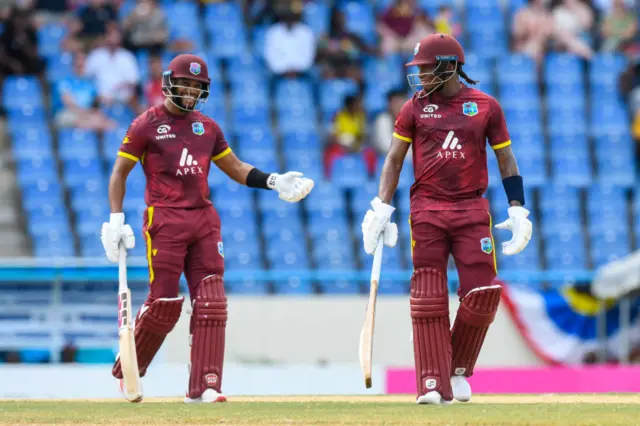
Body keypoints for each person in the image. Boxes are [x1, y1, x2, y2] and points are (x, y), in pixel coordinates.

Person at [101, 53, 314, 403]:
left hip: (203, 220)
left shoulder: (208, 127)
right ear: (170, 83)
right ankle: (129, 369)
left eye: (198, 86)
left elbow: (235, 168)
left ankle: (205, 385)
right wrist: (115, 218)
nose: (191, 91)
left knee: (212, 302)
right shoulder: (145, 124)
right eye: (185, 83)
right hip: (165, 220)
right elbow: (119, 173)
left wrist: (274, 180)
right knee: (165, 304)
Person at [360, 34, 533, 404]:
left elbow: (506, 158)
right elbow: (392, 159)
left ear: (449, 66)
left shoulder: (486, 107)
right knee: (428, 297)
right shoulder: (413, 108)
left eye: (425, 68)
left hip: (472, 210)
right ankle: (431, 384)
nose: (419, 75)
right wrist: (380, 207)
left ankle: (454, 370)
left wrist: (516, 206)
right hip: (427, 210)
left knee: (483, 295)